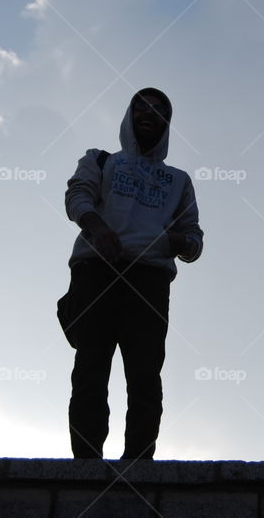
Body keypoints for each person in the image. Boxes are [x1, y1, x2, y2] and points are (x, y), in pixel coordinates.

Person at [64, 88, 203, 460]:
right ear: (129, 114)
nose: (149, 113)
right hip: (96, 271)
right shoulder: (101, 159)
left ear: (167, 124)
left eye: (159, 110)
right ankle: (86, 464)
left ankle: (139, 467)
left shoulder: (179, 181)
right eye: (141, 106)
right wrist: (98, 228)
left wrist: (172, 241)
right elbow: (77, 197)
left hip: (149, 281)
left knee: (145, 377)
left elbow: (194, 240)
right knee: (90, 367)